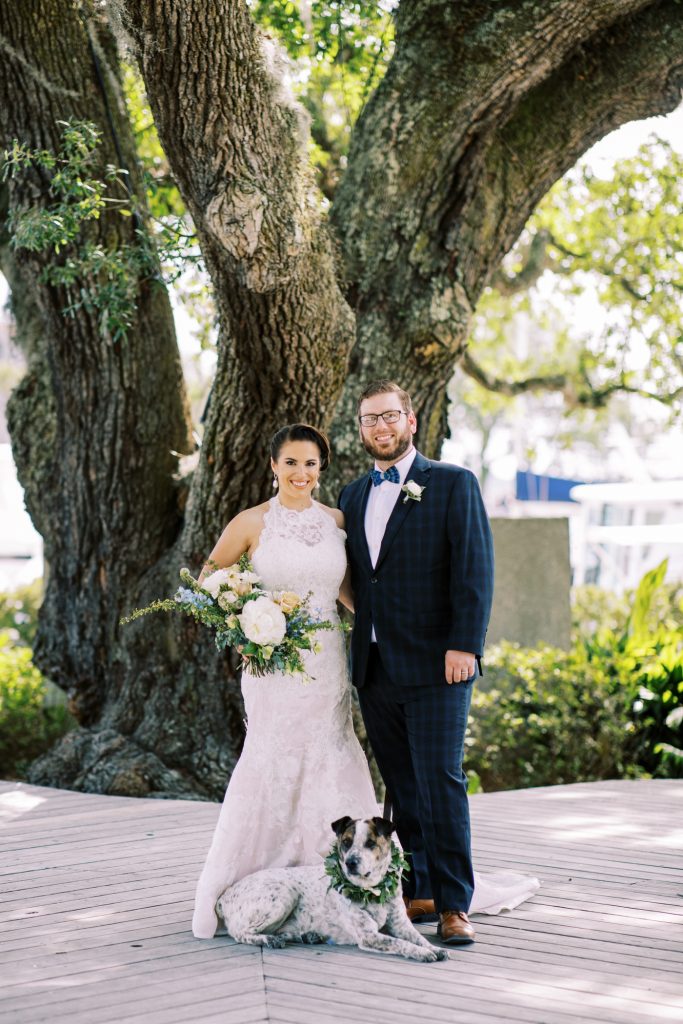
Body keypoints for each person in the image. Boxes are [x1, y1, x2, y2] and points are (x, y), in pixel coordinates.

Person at [338, 379, 537, 945]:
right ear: (361, 429)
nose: (380, 427)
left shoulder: (451, 484)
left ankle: (454, 904)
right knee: (400, 786)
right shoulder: (353, 496)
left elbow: (474, 569)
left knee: (441, 780)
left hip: (438, 664)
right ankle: (418, 887)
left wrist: (465, 645)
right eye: (369, 419)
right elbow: (359, 580)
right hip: (373, 666)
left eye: (390, 416)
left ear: (412, 420)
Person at [191, 423, 378, 939]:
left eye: (311, 464)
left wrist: (391, 628)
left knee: (331, 751)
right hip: (272, 665)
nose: (302, 473)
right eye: (291, 463)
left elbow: (345, 589)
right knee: (272, 756)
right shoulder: (251, 523)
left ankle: (339, 878)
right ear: (273, 466)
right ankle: (256, 878)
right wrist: (252, 619)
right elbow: (210, 581)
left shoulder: (336, 521)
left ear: (322, 468)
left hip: (328, 661)